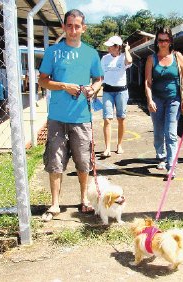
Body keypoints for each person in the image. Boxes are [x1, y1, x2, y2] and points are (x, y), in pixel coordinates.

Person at [38, 9, 103, 221]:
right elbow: (43, 80)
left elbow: (98, 79)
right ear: (64, 27)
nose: (73, 30)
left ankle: (84, 199)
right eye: (69, 26)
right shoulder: (53, 52)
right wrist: (64, 86)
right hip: (57, 116)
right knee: (55, 160)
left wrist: (94, 89)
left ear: (83, 28)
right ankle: (55, 203)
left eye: (77, 26)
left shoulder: (91, 53)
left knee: (84, 161)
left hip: (82, 117)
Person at [144, 27, 183, 181]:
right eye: (160, 40)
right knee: (158, 132)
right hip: (157, 99)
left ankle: (171, 166)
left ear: (170, 41)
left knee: (170, 133)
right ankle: (161, 156)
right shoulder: (152, 59)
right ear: (157, 41)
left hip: (174, 99)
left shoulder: (178, 57)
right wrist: (149, 100)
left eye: (166, 40)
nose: (163, 43)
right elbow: (147, 82)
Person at [100, 35, 133, 157]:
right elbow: (100, 75)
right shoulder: (104, 59)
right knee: (107, 119)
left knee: (121, 118)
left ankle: (119, 145)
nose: (108, 48)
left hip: (121, 91)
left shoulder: (124, 57)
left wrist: (126, 50)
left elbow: (129, 61)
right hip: (107, 91)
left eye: (110, 46)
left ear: (117, 47)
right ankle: (107, 148)